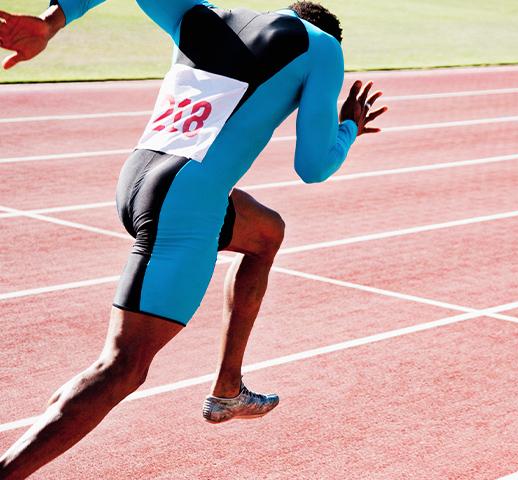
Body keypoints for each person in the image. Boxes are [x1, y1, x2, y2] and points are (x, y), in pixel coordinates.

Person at [0, 1, 387, 477]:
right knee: (122, 367)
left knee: (267, 232)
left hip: (138, 180)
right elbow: (313, 166)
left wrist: (50, 23)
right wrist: (347, 128)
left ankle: (228, 387)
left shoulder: (205, 15)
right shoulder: (323, 48)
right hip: (185, 207)